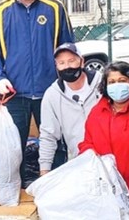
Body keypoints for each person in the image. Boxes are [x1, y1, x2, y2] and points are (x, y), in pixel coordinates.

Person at [0, 0, 74, 185]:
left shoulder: (55, 8)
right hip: (14, 91)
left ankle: (56, 186)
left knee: (55, 143)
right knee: (14, 146)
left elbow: (67, 47)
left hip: (50, 91)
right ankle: (17, 189)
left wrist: (67, 79)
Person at [78, 61, 129, 220]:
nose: (116, 85)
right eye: (111, 82)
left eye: (122, 81)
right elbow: (87, 143)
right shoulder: (97, 112)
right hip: (106, 194)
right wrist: (90, 155)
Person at [39, 42, 102, 176]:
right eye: (61, 63)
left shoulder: (102, 84)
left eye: (71, 61)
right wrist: (44, 170)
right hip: (78, 162)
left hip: (109, 157)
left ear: (82, 61)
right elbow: (48, 135)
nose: (67, 67)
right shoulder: (52, 95)